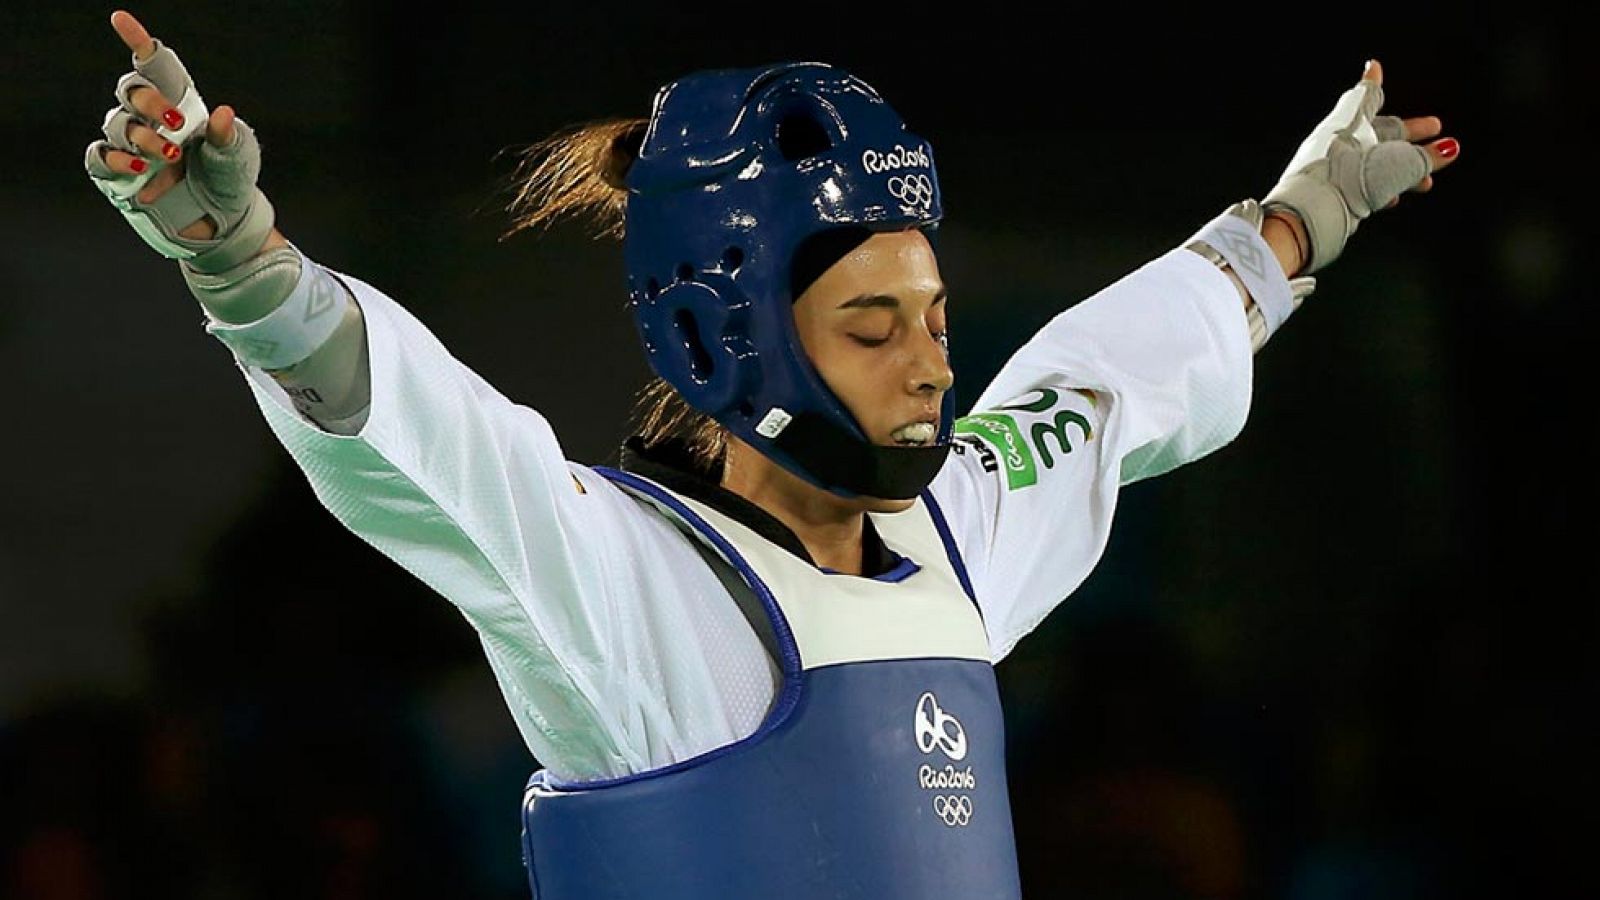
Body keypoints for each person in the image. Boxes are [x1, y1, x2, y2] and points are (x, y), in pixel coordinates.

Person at [84, 9, 1460, 899]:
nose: (930, 363)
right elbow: (428, 444)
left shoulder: (962, 538)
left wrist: (1308, 213)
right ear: (727, 335)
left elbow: (1106, 385)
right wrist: (241, 261)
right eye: (874, 325)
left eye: (929, 316)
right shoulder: (630, 585)